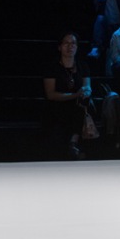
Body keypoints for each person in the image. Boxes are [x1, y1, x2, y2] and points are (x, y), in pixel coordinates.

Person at [43, 31, 94, 159]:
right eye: (66, 43)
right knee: (65, 110)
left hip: (77, 104)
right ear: (60, 47)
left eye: (73, 43)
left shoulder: (82, 66)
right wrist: (74, 95)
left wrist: (86, 91)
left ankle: (73, 142)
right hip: (57, 104)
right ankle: (70, 145)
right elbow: (50, 94)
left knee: (81, 107)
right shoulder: (52, 67)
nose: (70, 46)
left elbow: (87, 86)